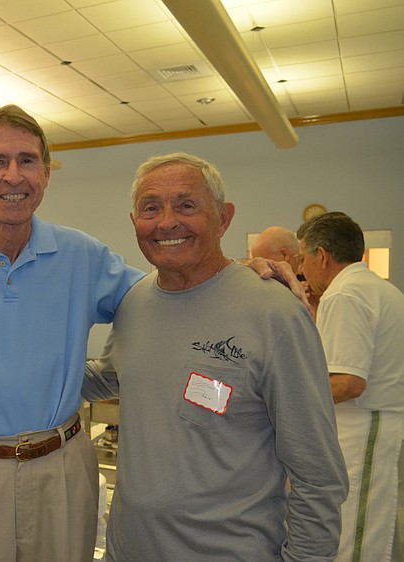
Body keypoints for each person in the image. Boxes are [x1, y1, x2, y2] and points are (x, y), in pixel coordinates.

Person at [0, 107, 304, 561]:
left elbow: (171, 291)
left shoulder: (79, 255)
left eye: (28, 161)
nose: (14, 176)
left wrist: (236, 274)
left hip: (61, 467)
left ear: (46, 174)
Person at [82, 152, 348, 561]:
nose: (167, 221)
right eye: (151, 207)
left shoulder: (274, 314)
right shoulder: (134, 302)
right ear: (135, 221)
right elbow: (108, 375)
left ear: (223, 218)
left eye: (187, 205)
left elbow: (317, 475)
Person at [296, 211, 404, 562]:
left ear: (322, 256)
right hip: (373, 423)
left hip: (364, 427)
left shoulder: (345, 294)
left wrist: (290, 403)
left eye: (303, 257)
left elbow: (348, 383)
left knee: (354, 535)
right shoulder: (375, 287)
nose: (302, 267)